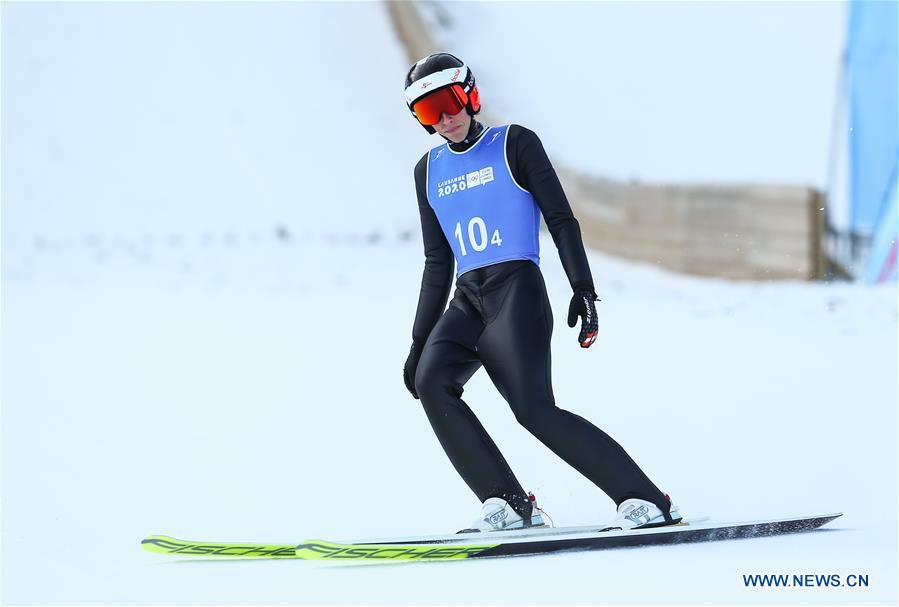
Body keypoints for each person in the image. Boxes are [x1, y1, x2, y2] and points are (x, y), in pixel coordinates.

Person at [401, 52, 681, 534]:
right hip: (467, 299)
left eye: (447, 102)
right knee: (431, 380)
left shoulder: (514, 143)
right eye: (428, 112)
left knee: (533, 411)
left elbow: (560, 219)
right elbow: (437, 262)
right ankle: (509, 505)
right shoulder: (427, 171)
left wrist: (583, 288)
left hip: (516, 290)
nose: (444, 119)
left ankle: (646, 500)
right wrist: (417, 340)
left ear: (469, 94)